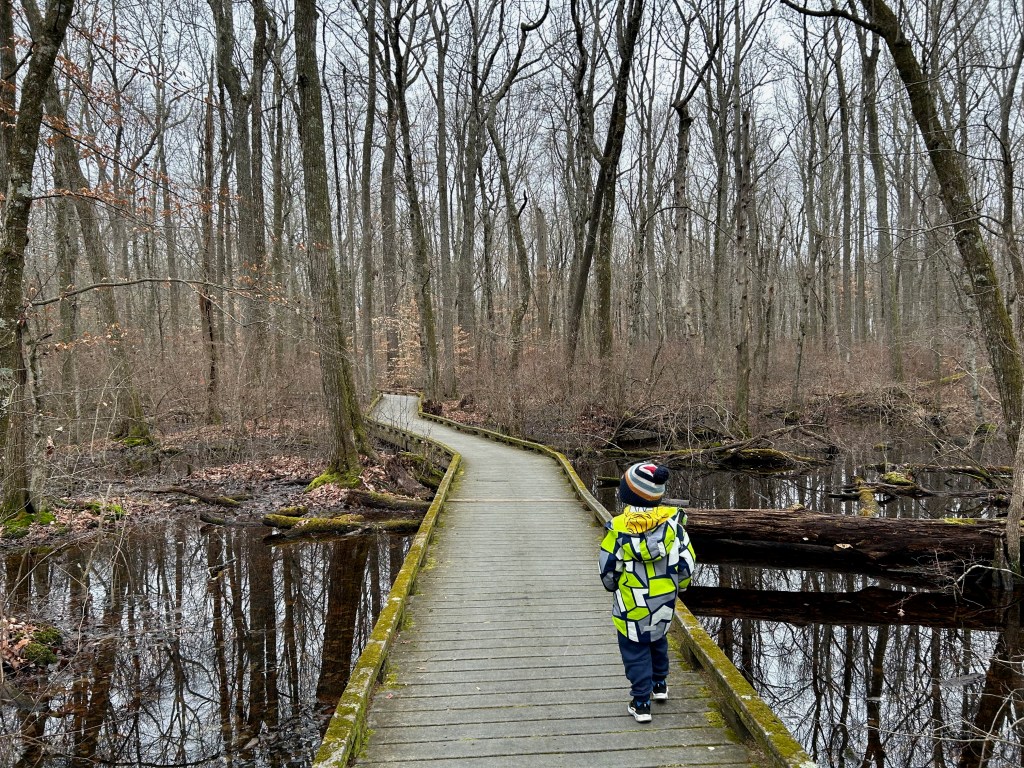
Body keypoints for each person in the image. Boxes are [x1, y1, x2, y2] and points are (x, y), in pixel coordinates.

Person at [599, 462, 696, 723]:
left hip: (631, 603)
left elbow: (608, 568)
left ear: (627, 495)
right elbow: (687, 564)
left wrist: (612, 586)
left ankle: (641, 701)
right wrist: (681, 585)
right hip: (663, 601)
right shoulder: (675, 528)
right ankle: (659, 684)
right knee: (657, 639)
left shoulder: (618, 530)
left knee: (634, 648)